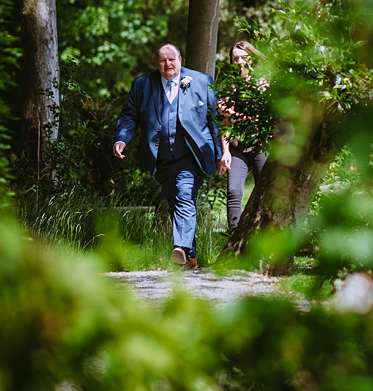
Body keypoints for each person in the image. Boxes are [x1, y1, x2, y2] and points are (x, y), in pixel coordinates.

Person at [113, 43, 226, 270]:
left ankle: (180, 248)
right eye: (163, 61)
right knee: (176, 202)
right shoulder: (142, 85)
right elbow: (129, 116)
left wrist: (220, 153)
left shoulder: (201, 82)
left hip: (191, 156)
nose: (168, 65)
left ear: (180, 60)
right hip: (160, 158)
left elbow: (215, 120)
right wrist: (121, 139)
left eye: (172, 60)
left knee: (185, 195)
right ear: (158, 63)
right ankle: (191, 257)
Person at [219, 40, 269, 231]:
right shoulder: (229, 86)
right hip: (236, 146)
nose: (239, 61)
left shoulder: (262, 84)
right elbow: (224, 123)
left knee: (263, 193)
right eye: (235, 58)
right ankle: (235, 241)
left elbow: (260, 120)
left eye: (243, 57)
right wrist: (225, 152)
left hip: (259, 145)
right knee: (233, 191)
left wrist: (233, 114)